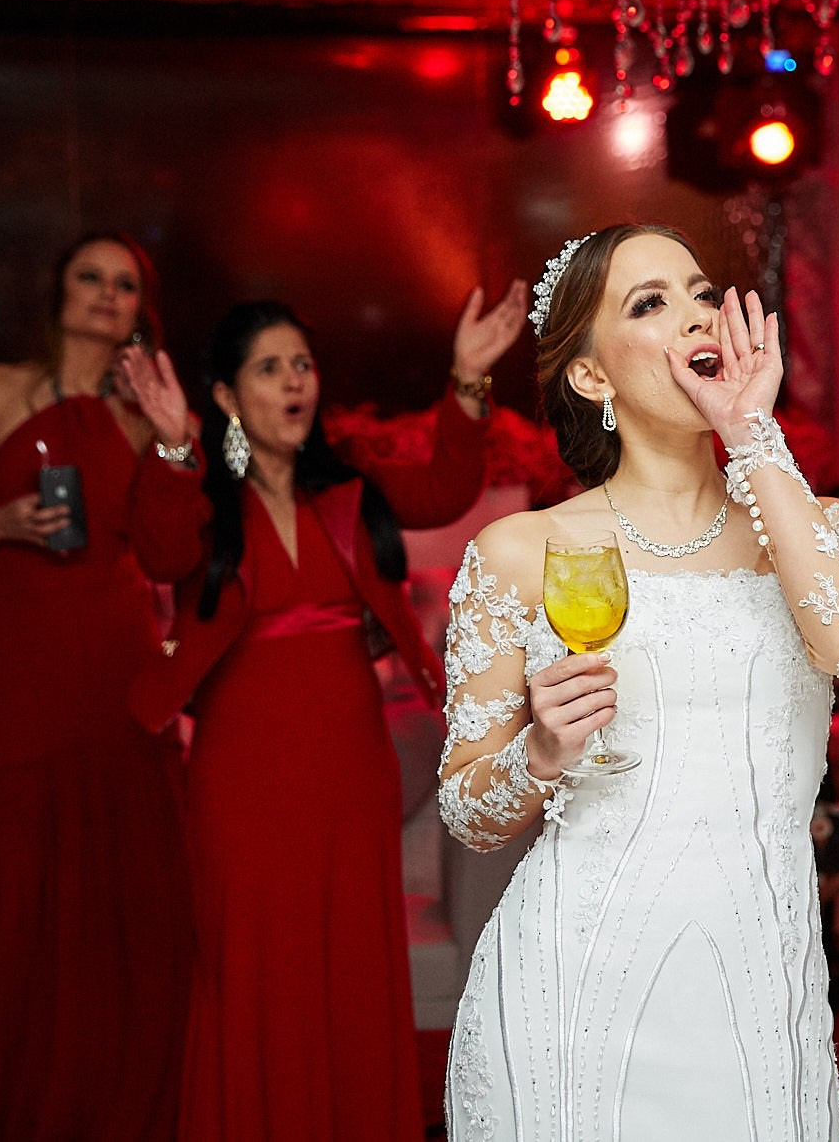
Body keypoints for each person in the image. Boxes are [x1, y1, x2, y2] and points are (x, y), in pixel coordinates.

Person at [437, 224, 839, 1140]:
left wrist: (749, 432)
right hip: (573, 992)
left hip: (765, 995)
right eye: (650, 303)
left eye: (699, 291)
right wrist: (539, 753)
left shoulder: (816, 526)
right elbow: (467, 807)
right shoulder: (525, 551)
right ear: (592, 376)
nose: (694, 314)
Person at [127, 287, 522, 1142]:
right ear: (227, 396)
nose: (293, 381)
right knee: (250, 970)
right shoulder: (198, 493)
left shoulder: (351, 487)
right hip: (242, 776)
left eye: (301, 364)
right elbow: (159, 549)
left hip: (348, 770)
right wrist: (167, 443)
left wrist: (465, 382)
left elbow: (447, 488)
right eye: (268, 368)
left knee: (347, 969)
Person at [0, 235, 209, 1141]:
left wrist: (177, 441)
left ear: (138, 310)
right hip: (26, 673)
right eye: (91, 275)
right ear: (59, 289)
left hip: (116, 666)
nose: (107, 293)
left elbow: (172, 554)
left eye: (126, 284)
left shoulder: (135, 414)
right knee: (23, 914)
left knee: (130, 912)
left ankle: (132, 1111)